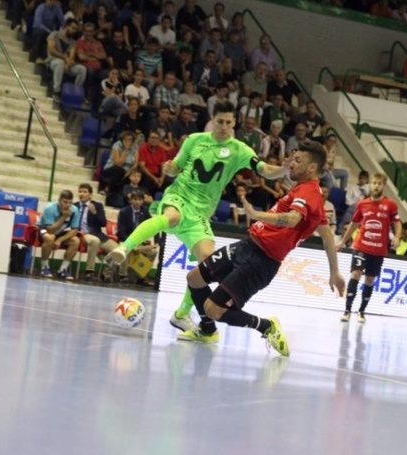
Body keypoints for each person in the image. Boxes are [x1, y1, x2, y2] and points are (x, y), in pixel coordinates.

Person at [105, 100, 288, 333]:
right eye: (219, 121)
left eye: (228, 122)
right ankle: (124, 248)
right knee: (171, 217)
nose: (223, 126)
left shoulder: (240, 150)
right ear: (212, 121)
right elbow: (176, 167)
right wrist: (171, 169)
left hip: (201, 214)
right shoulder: (194, 140)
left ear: (234, 123)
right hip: (180, 196)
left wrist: (283, 169)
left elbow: (264, 170)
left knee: (207, 264)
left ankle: (181, 315)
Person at [179, 140, 346, 355]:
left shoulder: (309, 194)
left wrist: (257, 215)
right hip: (247, 246)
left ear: (312, 168)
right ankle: (207, 331)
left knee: (213, 309)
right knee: (194, 279)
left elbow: (292, 219)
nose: (292, 164)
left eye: (297, 161)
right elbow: (327, 236)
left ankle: (266, 327)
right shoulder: (306, 192)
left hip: (261, 261)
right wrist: (335, 272)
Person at [337, 173, 401, 323]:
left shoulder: (390, 205)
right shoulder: (362, 204)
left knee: (370, 280)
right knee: (355, 274)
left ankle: (361, 311)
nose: (376, 186)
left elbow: (397, 222)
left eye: (379, 183)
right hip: (361, 246)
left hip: (378, 250)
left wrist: (397, 237)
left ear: (383, 186)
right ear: (370, 185)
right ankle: (347, 310)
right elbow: (354, 224)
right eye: (374, 183)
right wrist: (342, 241)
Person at [75, 183, 118, 281]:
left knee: (118, 250)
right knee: (94, 241)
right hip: (82, 234)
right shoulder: (75, 206)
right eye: (80, 191)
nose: (81, 194)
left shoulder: (97, 205)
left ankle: (106, 273)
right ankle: (89, 271)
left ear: (90, 195)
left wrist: (94, 213)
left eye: (84, 192)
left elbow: (103, 223)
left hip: (97, 234)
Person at [38, 189, 81, 280]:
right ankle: (44, 267)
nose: (68, 205)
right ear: (59, 200)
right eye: (65, 202)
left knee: (75, 240)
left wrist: (60, 240)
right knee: (50, 238)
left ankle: (63, 269)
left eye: (70, 202)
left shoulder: (75, 210)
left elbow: (74, 230)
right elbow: (50, 230)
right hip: (44, 229)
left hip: (60, 231)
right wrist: (64, 217)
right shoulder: (50, 208)